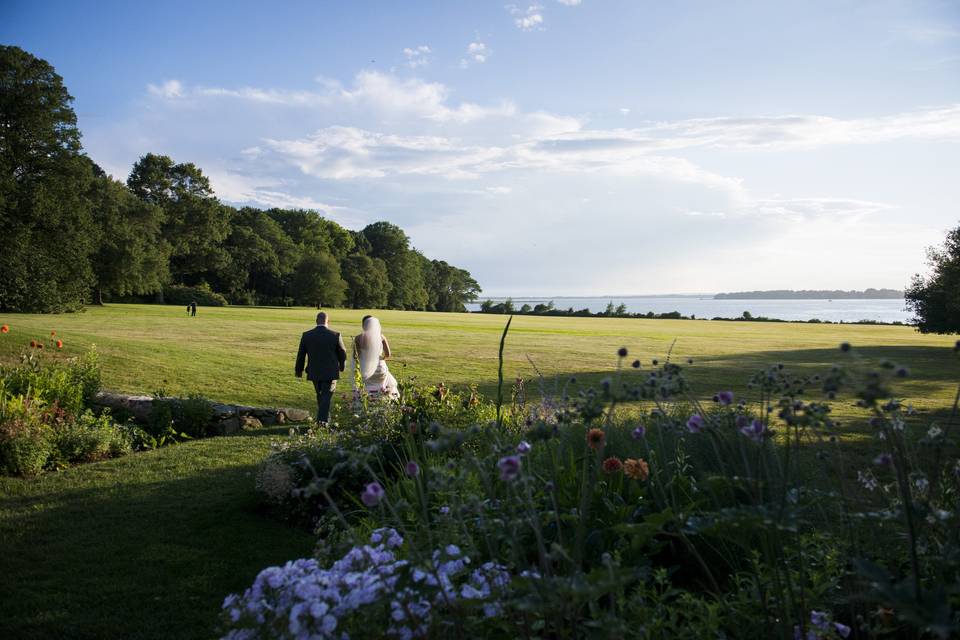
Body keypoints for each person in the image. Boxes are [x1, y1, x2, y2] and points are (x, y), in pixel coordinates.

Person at [295, 311, 347, 425]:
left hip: (314, 371)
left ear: (316, 321)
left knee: (321, 396)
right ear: (328, 321)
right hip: (330, 372)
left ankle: (324, 419)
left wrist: (299, 370)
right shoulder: (335, 335)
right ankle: (322, 422)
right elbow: (342, 353)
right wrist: (342, 366)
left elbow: (301, 354)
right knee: (326, 396)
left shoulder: (307, 335)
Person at [353, 315, 399, 398]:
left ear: (363, 325)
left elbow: (356, 356)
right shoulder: (381, 337)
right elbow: (388, 354)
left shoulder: (358, 338)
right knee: (382, 385)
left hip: (365, 367)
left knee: (366, 385)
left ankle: (366, 401)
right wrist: (382, 359)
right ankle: (382, 400)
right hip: (380, 367)